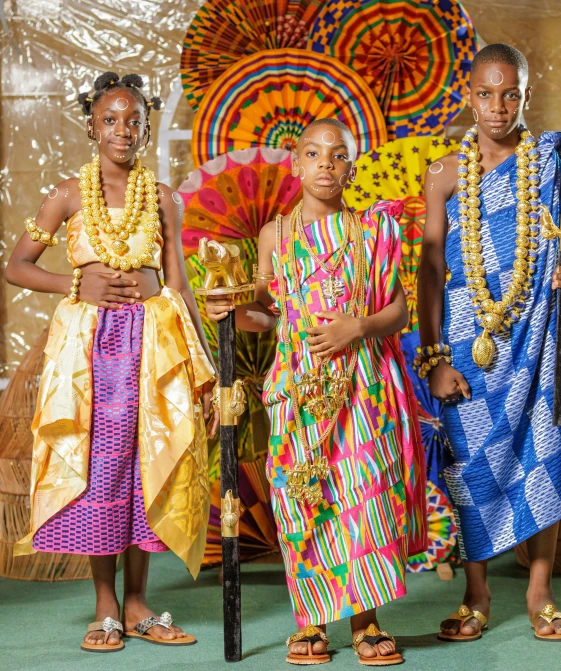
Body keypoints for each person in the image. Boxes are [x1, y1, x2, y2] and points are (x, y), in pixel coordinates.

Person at [7, 71, 218, 652]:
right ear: (91, 126)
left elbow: (179, 288)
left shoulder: (165, 199)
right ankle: (104, 607)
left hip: (153, 351)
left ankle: (138, 605)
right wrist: (76, 280)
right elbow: (16, 264)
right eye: (109, 121)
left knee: (147, 466)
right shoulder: (68, 194)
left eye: (133, 121)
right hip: (91, 356)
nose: (121, 131)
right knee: (101, 471)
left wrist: (205, 373)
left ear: (146, 128)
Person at [206, 118, 427, 665]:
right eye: (313, 153)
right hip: (298, 387)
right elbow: (265, 310)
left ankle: (367, 620)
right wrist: (231, 306)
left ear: (351, 166)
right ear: (296, 163)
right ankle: (311, 622)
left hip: (363, 384)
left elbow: (398, 309)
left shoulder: (372, 231)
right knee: (305, 500)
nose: (325, 163)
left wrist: (357, 327)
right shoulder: (275, 235)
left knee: (364, 495)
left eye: (338, 154)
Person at [418, 43, 561, 642]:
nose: (497, 107)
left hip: (536, 338)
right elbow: (427, 270)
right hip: (467, 341)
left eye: (510, 94)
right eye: (485, 94)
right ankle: (476, 596)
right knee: (469, 464)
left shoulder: (548, 164)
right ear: (468, 97)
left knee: (542, 453)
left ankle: (540, 594)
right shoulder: (444, 174)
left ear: (526, 95)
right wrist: (435, 358)